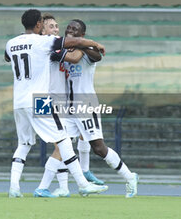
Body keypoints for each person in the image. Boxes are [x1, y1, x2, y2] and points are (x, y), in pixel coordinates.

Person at [4, 9, 108, 198]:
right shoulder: (43, 42)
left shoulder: (11, 43)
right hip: (39, 98)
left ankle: (14, 188)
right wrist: (95, 43)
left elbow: (6, 58)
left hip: (18, 100)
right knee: (63, 139)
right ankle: (83, 184)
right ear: (38, 26)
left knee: (24, 144)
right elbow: (75, 43)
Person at [36, 19, 139, 198]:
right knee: (62, 145)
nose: (70, 30)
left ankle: (130, 177)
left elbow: (97, 56)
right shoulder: (65, 50)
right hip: (68, 107)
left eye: (75, 29)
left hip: (85, 104)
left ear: (82, 35)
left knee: (99, 148)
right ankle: (56, 187)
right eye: (68, 27)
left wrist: (84, 46)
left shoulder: (86, 52)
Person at [33, 14, 104, 198]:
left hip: (54, 99)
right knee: (62, 143)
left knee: (59, 144)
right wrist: (87, 43)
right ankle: (81, 183)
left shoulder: (50, 44)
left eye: (57, 26)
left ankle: (61, 187)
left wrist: (81, 43)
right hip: (47, 99)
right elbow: (74, 58)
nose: (56, 30)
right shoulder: (48, 45)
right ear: (41, 30)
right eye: (51, 26)